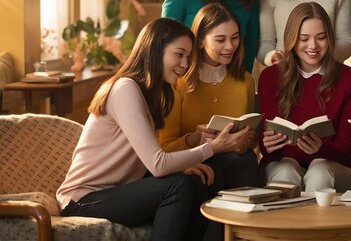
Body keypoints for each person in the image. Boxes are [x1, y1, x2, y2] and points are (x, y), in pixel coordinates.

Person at [57, 18, 247, 241]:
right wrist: (211, 148)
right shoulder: (125, 89)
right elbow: (157, 164)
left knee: (197, 181)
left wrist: (185, 165)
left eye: (188, 57)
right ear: (155, 51)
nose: (185, 64)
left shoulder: (154, 95)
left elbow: (145, 161)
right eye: (179, 54)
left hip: (118, 192)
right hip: (83, 200)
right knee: (177, 186)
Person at [258, 2, 351, 192]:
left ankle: (314, 223)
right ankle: (285, 223)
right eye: (303, 38)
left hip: (334, 168)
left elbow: (345, 148)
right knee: (285, 171)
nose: (313, 46)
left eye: (321, 37)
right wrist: (268, 144)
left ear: (330, 38)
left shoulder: (350, 78)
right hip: (282, 165)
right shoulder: (270, 77)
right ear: (291, 39)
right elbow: (267, 150)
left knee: (319, 171)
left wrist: (320, 148)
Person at [161, 3, 261, 196]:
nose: (230, 46)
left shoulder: (246, 81)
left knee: (245, 159)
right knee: (228, 167)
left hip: (234, 161)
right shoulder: (178, 81)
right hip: (189, 162)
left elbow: (249, 139)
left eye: (235, 38)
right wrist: (194, 138)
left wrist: (247, 141)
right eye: (220, 40)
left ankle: (243, 224)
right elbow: (164, 148)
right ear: (199, 41)